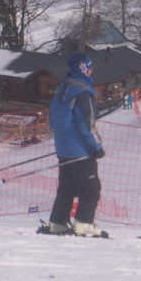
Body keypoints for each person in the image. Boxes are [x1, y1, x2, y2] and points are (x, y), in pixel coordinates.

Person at [46, 52, 106, 237]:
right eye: (89, 67)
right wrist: (96, 146)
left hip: (63, 150)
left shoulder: (61, 89)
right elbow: (87, 124)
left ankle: (58, 222)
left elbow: (52, 121)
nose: (91, 70)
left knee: (67, 189)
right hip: (81, 151)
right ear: (83, 69)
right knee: (91, 189)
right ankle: (84, 223)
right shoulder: (82, 92)